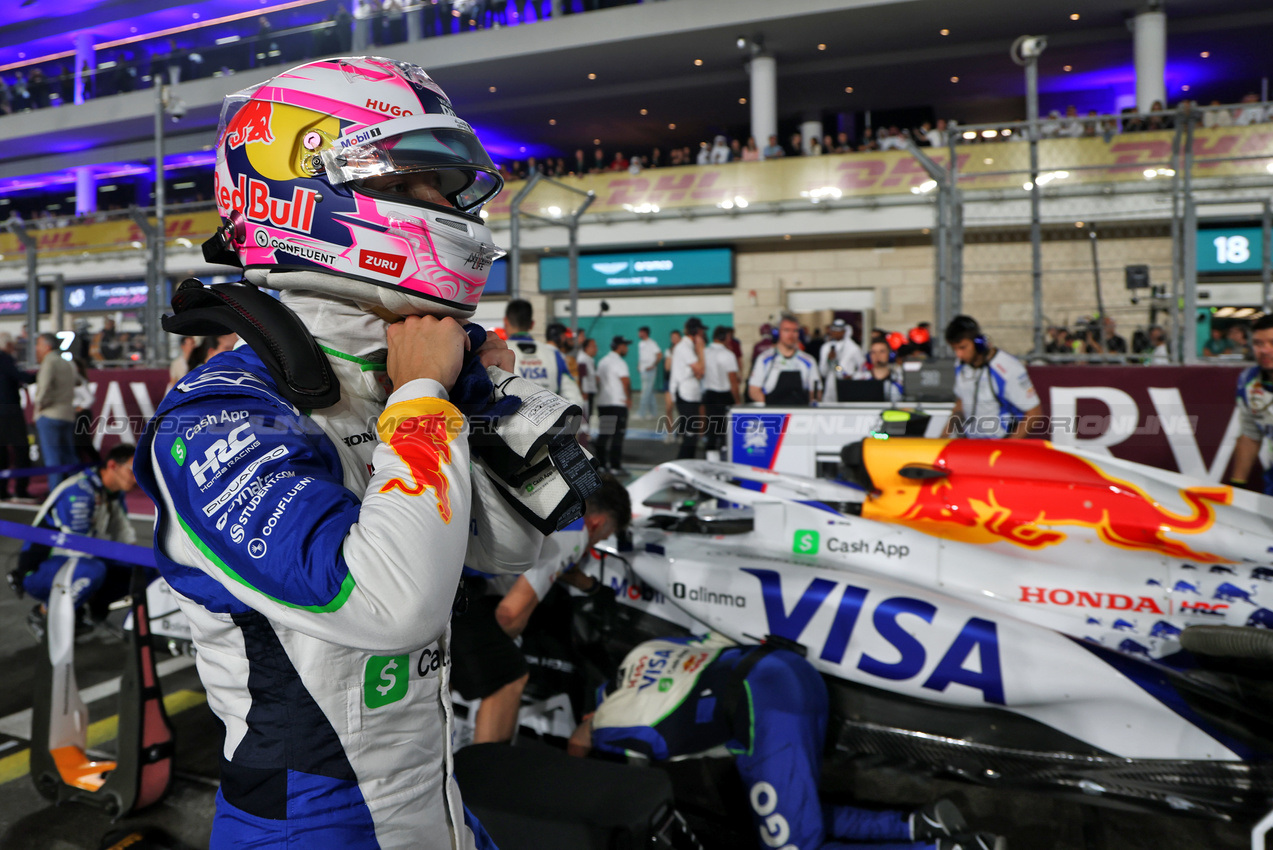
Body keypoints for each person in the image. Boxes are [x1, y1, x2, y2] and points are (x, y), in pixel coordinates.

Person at [133, 57, 555, 849]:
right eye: (409, 183)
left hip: (432, 787)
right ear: (298, 193)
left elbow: (512, 543)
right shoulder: (221, 410)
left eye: (444, 182)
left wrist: (492, 402)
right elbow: (389, 605)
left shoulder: (392, 375)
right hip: (311, 819)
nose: (444, 205)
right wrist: (425, 401)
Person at [570, 635, 1004, 850]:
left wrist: (574, 765)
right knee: (795, 811)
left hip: (763, 711)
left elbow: (586, 742)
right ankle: (918, 826)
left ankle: (949, 849)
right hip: (788, 671)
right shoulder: (641, 653)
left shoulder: (608, 723)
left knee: (790, 845)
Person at [451, 475, 630, 744]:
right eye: (604, 536)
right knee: (508, 675)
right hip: (460, 593)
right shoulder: (577, 531)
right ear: (598, 523)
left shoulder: (553, 506)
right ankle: (490, 774)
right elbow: (510, 614)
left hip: (445, 577)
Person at [9, 443, 141, 638]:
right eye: (132, 471)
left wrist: (138, 563)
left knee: (138, 569)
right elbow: (78, 547)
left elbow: (123, 534)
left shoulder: (113, 492)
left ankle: (91, 610)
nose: (137, 478)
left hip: (73, 561)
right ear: (112, 465)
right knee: (94, 570)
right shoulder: (79, 491)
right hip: (38, 570)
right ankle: (42, 613)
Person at [942, 315, 1042, 439]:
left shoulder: (1007, 368)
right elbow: (961, 402)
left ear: (979, 343)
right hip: (971, 445)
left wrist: (1008, 448)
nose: (959, 354)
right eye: (954, 349)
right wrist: (943, 437)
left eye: (962, 347)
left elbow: (1034, 413)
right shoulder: (960, 365)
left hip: (999, 444)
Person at [503, 299, 585, 410]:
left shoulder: (498, 352)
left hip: (509, 424)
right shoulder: (553, 354)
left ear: (506, 321)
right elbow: (576, 400)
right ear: (532, 324)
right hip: (548, 423)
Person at [1228, 315, 1273, 494]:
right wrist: (1237, 487)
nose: (1265, 350)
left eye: (1272, 342)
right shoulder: (1248, 382)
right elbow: (1250, 436)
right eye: (1258, 343)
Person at [33, 332, 78, 489]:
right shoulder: (67, 363)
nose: (36, 348)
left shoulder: (49, 362)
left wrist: (39, 405)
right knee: (69, 457)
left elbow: (43, 388)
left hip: (50, 415)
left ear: (47, 346)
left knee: (53, 461)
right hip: (67, 415)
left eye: (38, 344)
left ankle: (55, 497)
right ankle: (80, 490)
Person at [748, 314, 818, 406]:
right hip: (773, 414)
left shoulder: (809, 361)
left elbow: (816, 392)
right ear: (778, 332)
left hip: (800, 414)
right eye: (786, 330)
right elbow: (754, 391)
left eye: (795, 331)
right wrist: (774, 407)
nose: (791, 334)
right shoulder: (764, 359)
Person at [0, 332, 34, 499]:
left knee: (2, 453)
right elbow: (21, 376)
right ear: (8, 345)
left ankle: (2, 491)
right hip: (9, 412)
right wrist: (38, 376)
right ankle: (21, 490)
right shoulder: (4, 358)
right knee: (21, 450)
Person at [594, 336, 631, 474]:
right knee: (617, 435)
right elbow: (625, 381)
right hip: (617, 404)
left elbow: (597, 379)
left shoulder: (603, 361)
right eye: (625, 345)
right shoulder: (620, 362)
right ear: (619, 346)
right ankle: (615, 465)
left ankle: (602, 464)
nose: (626, 348)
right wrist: (628, 398)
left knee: (604, 434)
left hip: (604, 403)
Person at [670, 318, 706, 459]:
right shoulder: (684, 347)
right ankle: (682, 464)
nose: (703, 334)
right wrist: (701, 349)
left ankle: (686, 462)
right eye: (701, 330)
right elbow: (701, 370)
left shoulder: (688, 347)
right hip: (686, 394)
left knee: (691, 435)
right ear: (696, 331)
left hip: (691, 393)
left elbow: (698, 373)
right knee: (690, 435)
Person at [702, 325, 740, 460]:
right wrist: (738, 401)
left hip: (709, 396)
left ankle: (710, 461)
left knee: (711, 431)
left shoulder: (704, 352)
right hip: (724, 397)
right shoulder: (728, 355)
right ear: (725, 337)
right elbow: (733, 383)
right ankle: (725, 461)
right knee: (726, 432)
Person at [818, 318, 865, 403]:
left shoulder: (853, 348)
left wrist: (853, 376)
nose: (835, 333)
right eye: (834, 330)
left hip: (848, 384)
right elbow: (823, 372)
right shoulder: (825, 348)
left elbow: (863, 368)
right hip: (831, 385)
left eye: (838, 330)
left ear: (844, 331)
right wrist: (829, 360)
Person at [635, 326, 660, 419]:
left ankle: (641, 413)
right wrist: (639, 365)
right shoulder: (640, 343)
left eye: (640, 332)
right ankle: (653, 413)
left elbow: (659, 355)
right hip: (643, 370)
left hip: (650, 371)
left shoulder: (652, 343)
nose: (639, 334)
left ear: (645, 333)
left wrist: (653, 365)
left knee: (645, 392)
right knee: (650, 393)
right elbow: (641, 356)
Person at [576, 336, 598, 418]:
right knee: (585, 417)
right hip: (585, 393)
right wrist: (584, 392)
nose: (596, 349)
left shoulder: (589, 359)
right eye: (593, 346)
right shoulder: (583, 359)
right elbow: (582, 376)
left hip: (589, 392)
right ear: (586, 347)